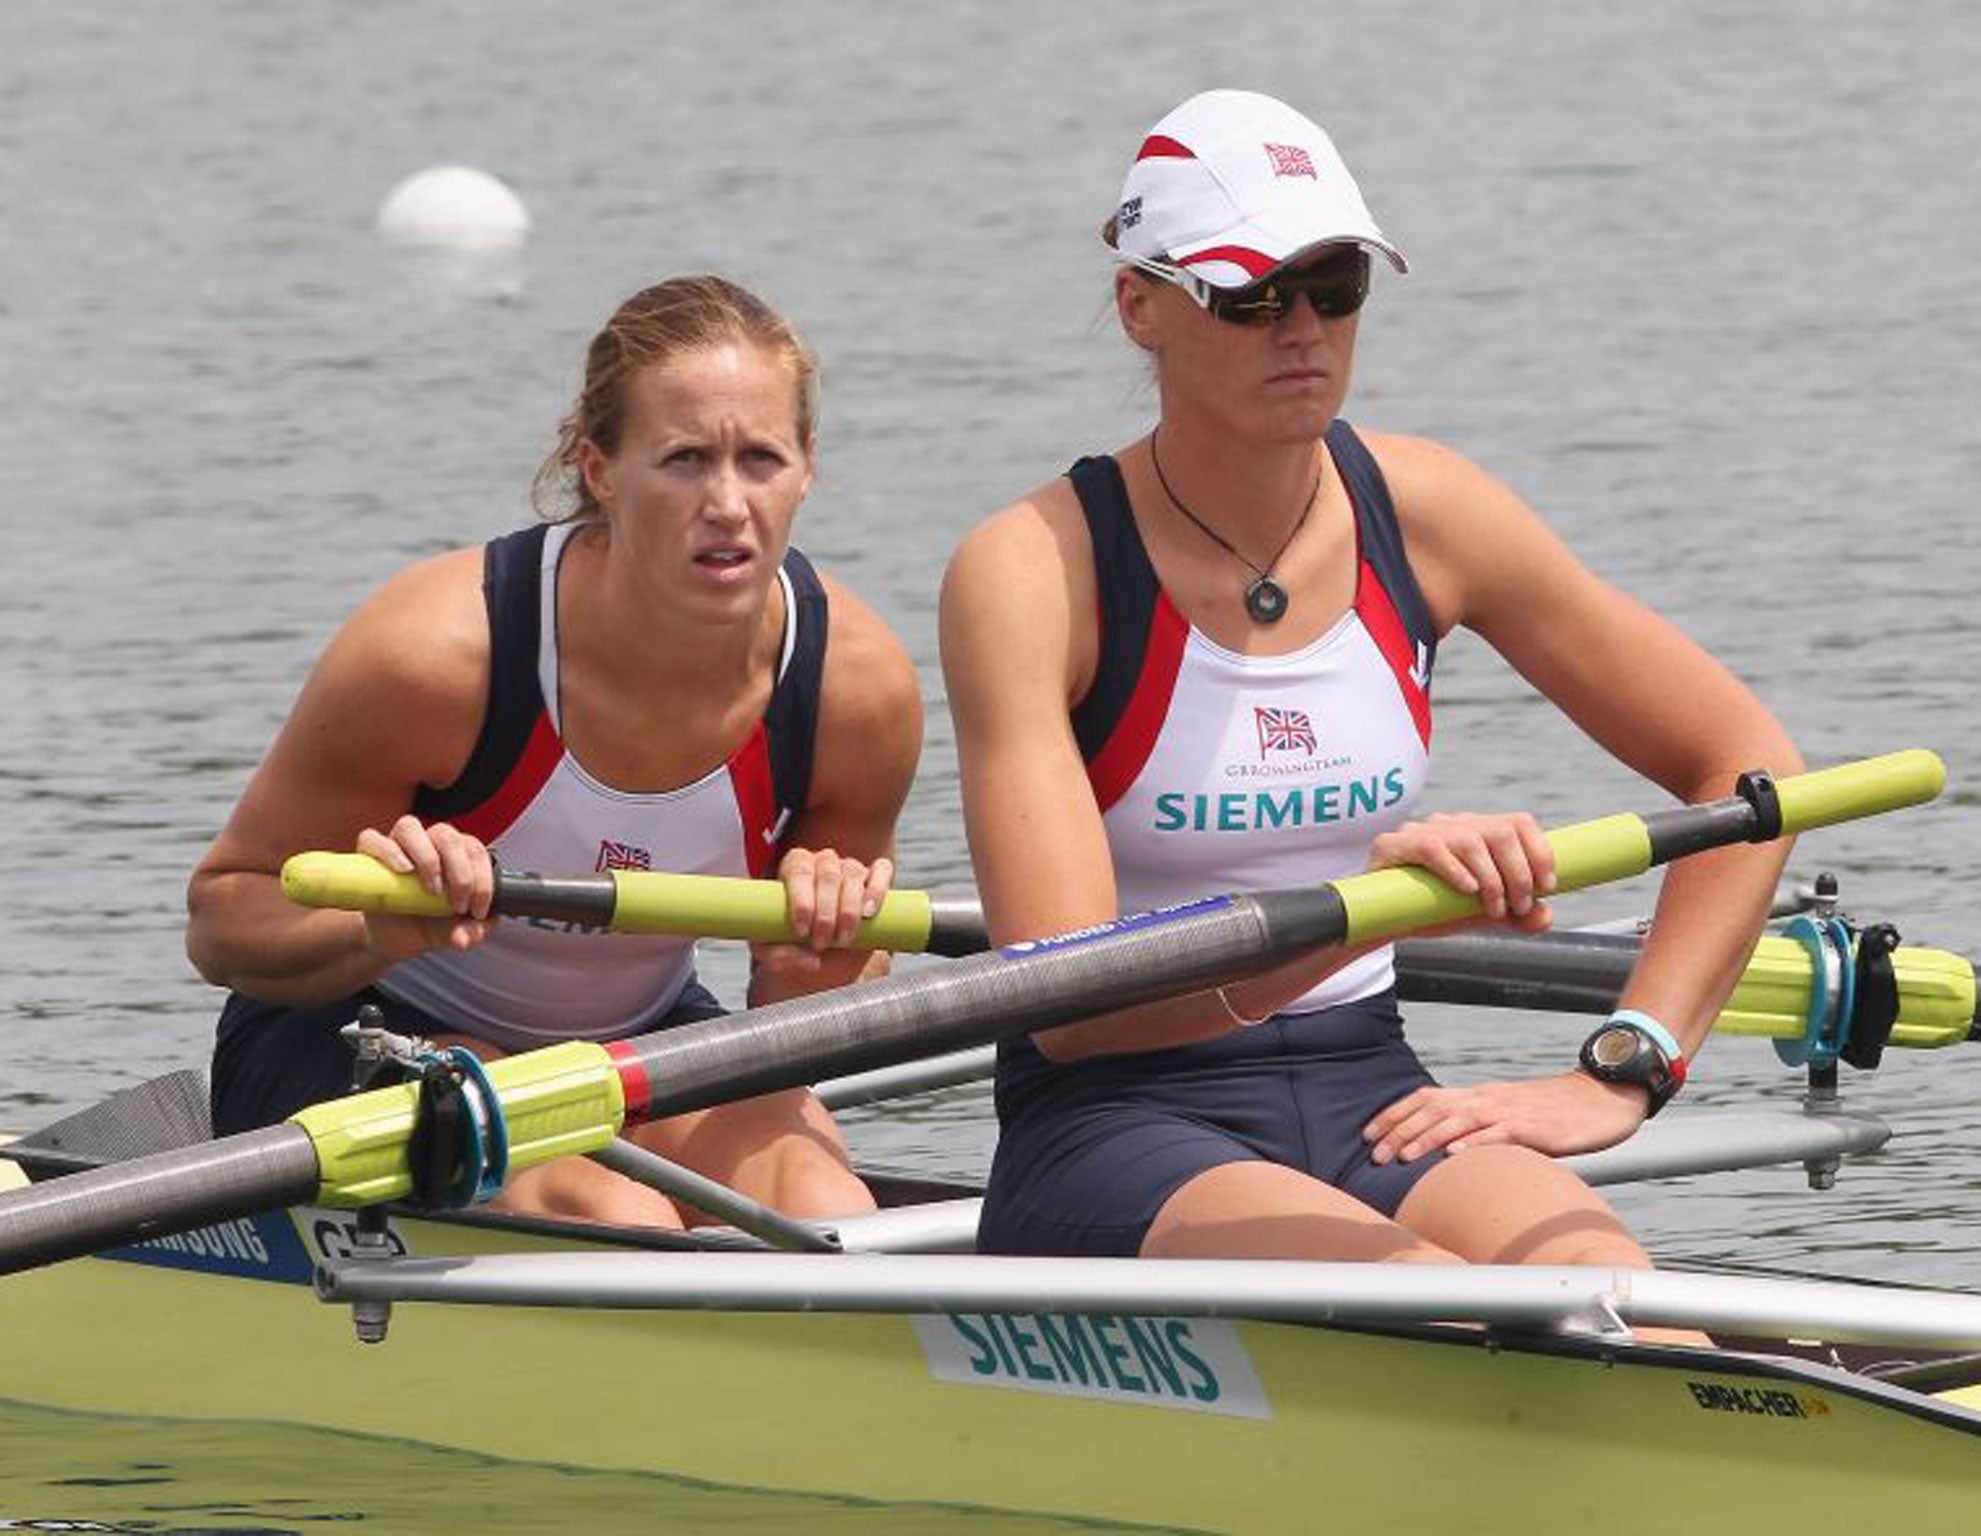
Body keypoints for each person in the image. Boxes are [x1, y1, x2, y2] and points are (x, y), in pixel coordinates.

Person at [940, 89, 1802, 1307]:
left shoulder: (1429, 511)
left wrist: (1626, 1063)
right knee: (1431, 1301)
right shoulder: (1033, 568)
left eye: (1334, 285)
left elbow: (1747, 766)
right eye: (1248, 294)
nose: (1300, 328)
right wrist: (1380, 909)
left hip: (1370, 1091)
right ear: (1141, 305)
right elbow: (1074, 1008)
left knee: (1610, 1293)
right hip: (1116, 1120)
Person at [189, 274, 921, 1229]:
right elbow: (221, 920)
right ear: (599, 469)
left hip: (639, 1038)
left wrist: (815, 967)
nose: (730, 503)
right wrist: (377, 925)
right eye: (685, 459)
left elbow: (803, 1015)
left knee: (823, 1205)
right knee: (615, 1218)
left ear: (808, 467)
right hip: (361, 1036)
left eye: (761, 459)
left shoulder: (854, 688)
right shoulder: (438, 657)